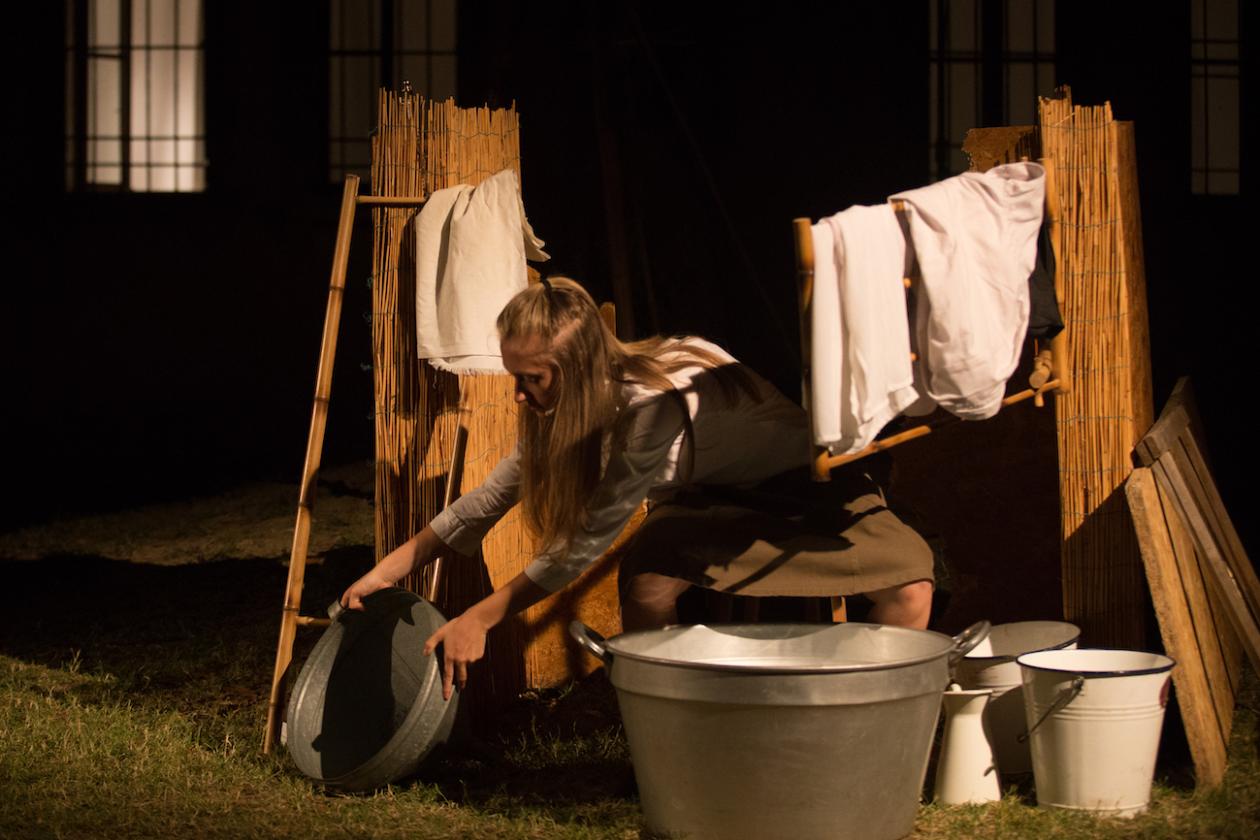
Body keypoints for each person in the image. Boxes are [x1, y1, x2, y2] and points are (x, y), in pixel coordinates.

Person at [342, 277, 934, 699]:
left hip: (802, 486)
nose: (518, 395)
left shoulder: (653, 403)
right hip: (706, 499)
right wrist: (385, 572)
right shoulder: (560, 408)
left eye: (531, 379)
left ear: (576, 369)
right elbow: (489, 498)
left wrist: (481, 618)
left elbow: (585, 541)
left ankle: (873, 711)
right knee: (647, 577)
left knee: (909, 581)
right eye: (514, 377)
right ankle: (665, 714)